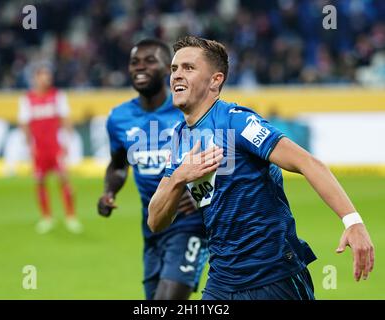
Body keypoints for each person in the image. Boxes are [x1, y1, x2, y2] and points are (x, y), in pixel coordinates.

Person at [148, 36, 375, 300]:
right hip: (222, 280)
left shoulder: (237, 122)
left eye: (188, 68)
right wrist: (179, 177)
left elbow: (307, 163)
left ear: (215, 80)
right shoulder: (177, 139)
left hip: (273, 277)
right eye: (174, 69)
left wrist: (353, 222)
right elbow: (156, 221)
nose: (177, 75)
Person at [97, 39, 208, 300]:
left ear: (168, 70)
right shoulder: (119, 118)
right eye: (134, 62)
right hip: (153, 227)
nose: (140, 67)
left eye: (149, 61)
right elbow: (118, 164)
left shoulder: (189, 110)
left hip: (189, 225)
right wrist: (108, 192)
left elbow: (221, 159)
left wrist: (200, 193)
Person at [18, 61, 83, 234]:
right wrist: (28, 145)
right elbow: (24, 124)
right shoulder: (27, 99)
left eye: (49, 76)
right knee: (39, 181)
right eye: (43, 76)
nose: (47, 79)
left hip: (55, 147)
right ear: (36, 78)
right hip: (39, 149)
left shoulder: (57, 96)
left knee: (64, 178)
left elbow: (65, 119)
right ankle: (46, 217)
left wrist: (68, 141)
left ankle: (71, 216)